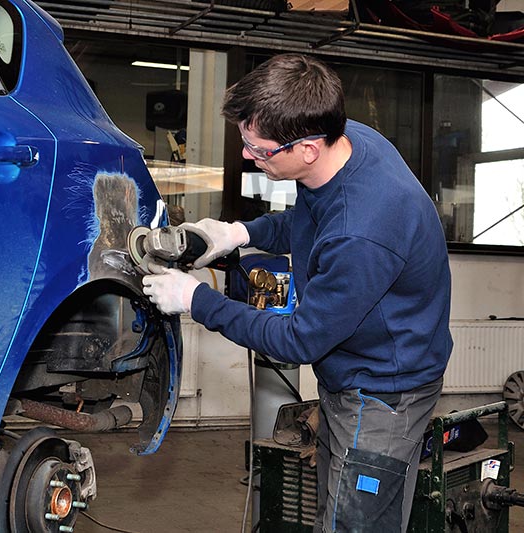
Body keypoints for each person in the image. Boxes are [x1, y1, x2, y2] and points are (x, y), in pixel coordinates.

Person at [142, 53, 452, 533]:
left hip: (384, 393)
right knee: (338, 511)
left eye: (259, 149)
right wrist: (240, 233)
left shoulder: (364, 230)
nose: (248, 155)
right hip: (351, 377)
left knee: (356, 524)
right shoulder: (348, 140)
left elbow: (298, 341)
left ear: (306, 147)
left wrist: (195, 301)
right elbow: (311, 221)